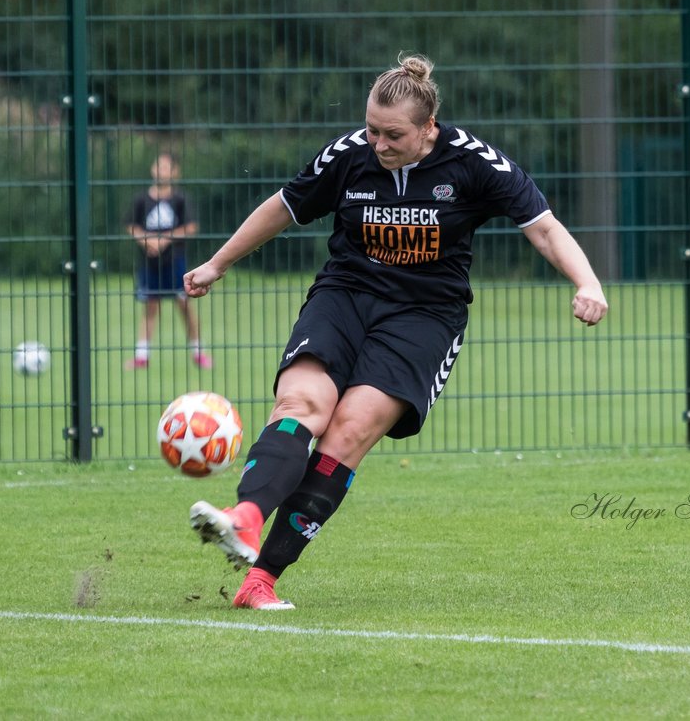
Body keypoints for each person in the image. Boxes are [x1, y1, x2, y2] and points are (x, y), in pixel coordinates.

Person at [184, 54, 608, 610]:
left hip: (424, 316)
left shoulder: (475, 164)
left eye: (393, 135)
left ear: (429, 128)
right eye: (371, 130)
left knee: (349, 431)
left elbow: (544, 229)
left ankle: (259, 579)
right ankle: (245, 517)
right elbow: (285, 207)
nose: (378, 145)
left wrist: (587, 282)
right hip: (344, 296)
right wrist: (217, 263)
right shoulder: (349, 155)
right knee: (301, 401)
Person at [125, 151, 212, 369]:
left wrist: (165, 239)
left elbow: (191, 226)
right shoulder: (141, 199)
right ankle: (141, 356)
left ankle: (198, 352)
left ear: (175, 172)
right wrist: (147, 240)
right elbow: (131, 225)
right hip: (148, 263)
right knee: (150, 306)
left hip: (175, 261)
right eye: (158, 165)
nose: (161, 170)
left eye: (166, 167)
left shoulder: (180, 199)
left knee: (184, 305)